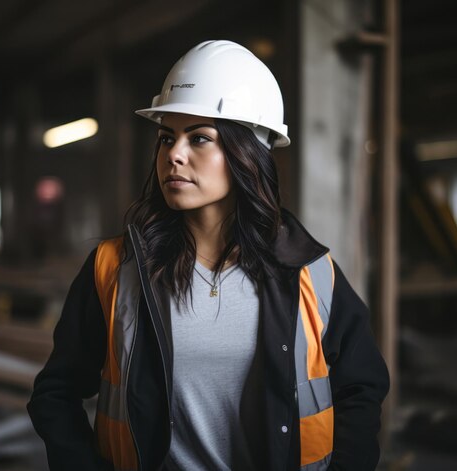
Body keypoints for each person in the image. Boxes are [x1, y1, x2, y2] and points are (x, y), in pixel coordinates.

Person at [27, 40, 389, 471]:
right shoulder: (114, 268)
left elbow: (361, 390)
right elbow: (56, 393)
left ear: (247, 155)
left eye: (199, 138)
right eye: (166, 138)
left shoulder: (310, 272)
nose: (173, 155)